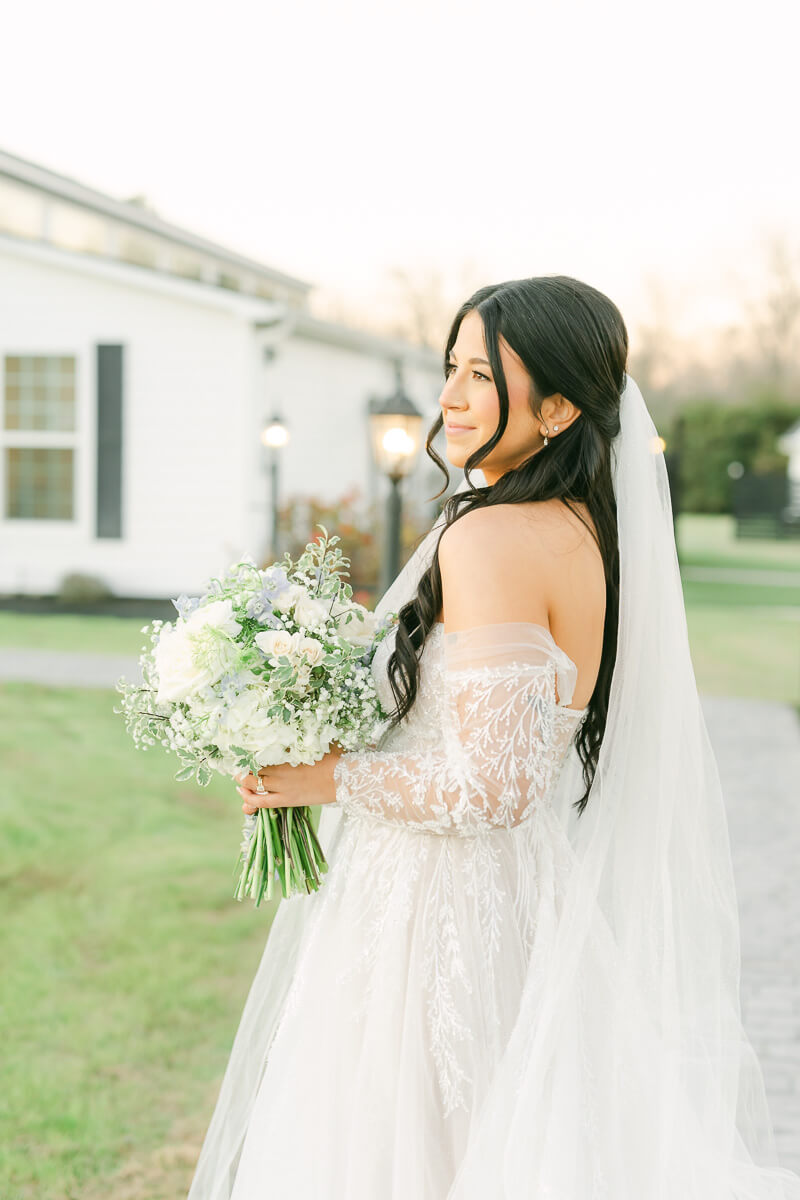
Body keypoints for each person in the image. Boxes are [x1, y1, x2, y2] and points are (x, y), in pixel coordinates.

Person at [187, 276, 800, 1199]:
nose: (450, 397)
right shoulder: (580, 527)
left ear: (557, 407)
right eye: (451, 367)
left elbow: (491, 789)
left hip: (444, 918)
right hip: (515, 900)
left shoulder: (494, 537)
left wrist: (322, 779)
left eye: (482, 374)